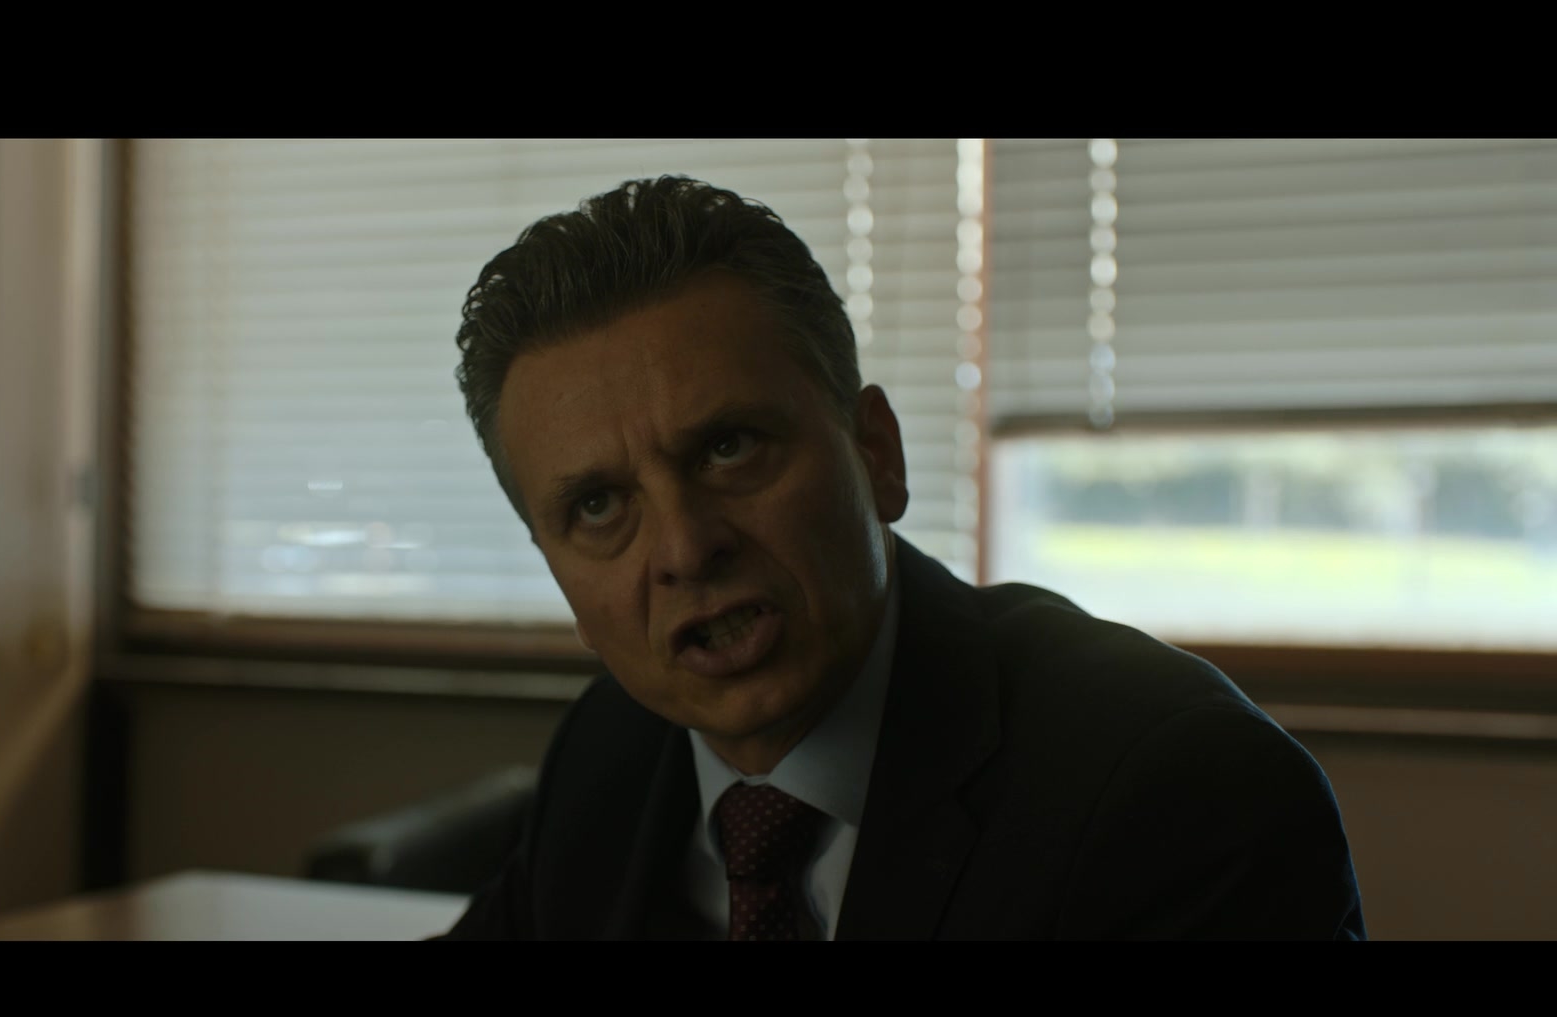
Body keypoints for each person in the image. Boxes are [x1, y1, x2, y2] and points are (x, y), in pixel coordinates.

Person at [438, 175, 1366, 940]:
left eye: (729, 448)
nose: (686, 547)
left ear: (876, 453)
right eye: (598, 506)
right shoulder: (613, 749)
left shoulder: (1181, 793)